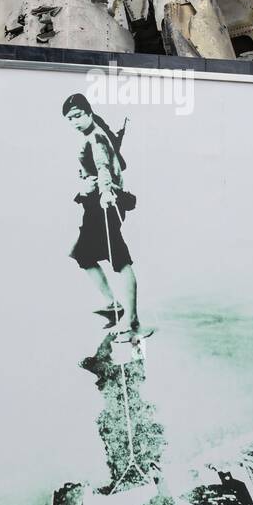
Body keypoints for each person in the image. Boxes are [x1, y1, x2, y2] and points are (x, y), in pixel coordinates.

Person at [62, 94, 150, 341]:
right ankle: (113, 305)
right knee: (82, 254)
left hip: (105, 203)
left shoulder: (96, 136)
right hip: (95, 205)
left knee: (120, 260)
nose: (75, 122)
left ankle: (132, 322)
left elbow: (104, 168)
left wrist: (104, 193)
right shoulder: (93, 133)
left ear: (88, 112)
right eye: (70, 119)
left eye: (78, 116)